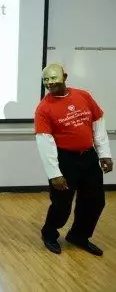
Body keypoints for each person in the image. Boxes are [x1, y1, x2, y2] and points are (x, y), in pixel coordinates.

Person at [34, 63, 113, 256]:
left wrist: (104, 154)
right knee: (62, 204)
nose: (49, 83)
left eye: (53, 78)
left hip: (88, 156)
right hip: (65, 160)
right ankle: (49, 233)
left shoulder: (83, 96)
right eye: (46, 80)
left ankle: (79, 236)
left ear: (65, 76)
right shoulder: (44, 108)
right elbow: (45, 143)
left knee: (95, 201)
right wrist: (55, 174)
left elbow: (98, 124)